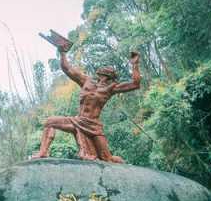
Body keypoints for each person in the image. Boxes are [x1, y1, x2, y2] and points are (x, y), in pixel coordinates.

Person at [33, 32, 141, 163]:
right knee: (50, 121)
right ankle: (43, 152)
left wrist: (135, 65)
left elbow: (135, 84)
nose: (104, 71)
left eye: (108, 71)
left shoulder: (111, 88)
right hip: (78, 121)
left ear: (109, 76)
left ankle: (125, 169)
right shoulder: (87, 81)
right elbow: (67, 69)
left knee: (107, 158)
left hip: (94, 126)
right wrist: (62, 53)